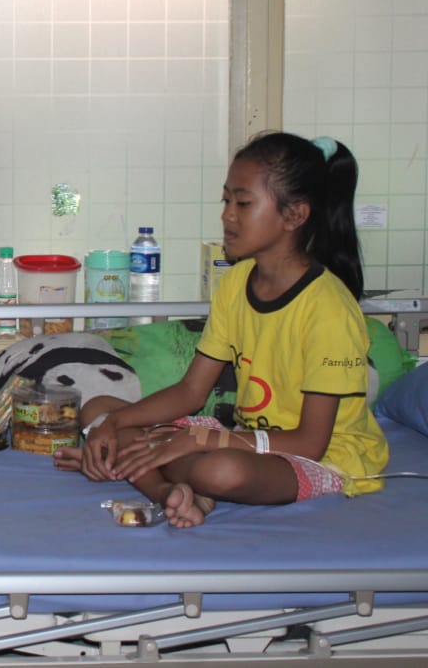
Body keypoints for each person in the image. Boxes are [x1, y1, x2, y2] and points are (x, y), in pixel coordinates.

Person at [55, 132, 388, 528]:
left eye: (243, 203)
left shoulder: (329, 309)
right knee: (99, 410)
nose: (228, 215)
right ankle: (170, 493)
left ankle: (153, 472)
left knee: (221, 471)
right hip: (245, 439)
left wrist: (207, 441)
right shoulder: (235, 284)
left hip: (322, 457)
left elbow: (310, 443)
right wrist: (112, 426)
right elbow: (190, 392)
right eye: (226, 201)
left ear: (294, 215)